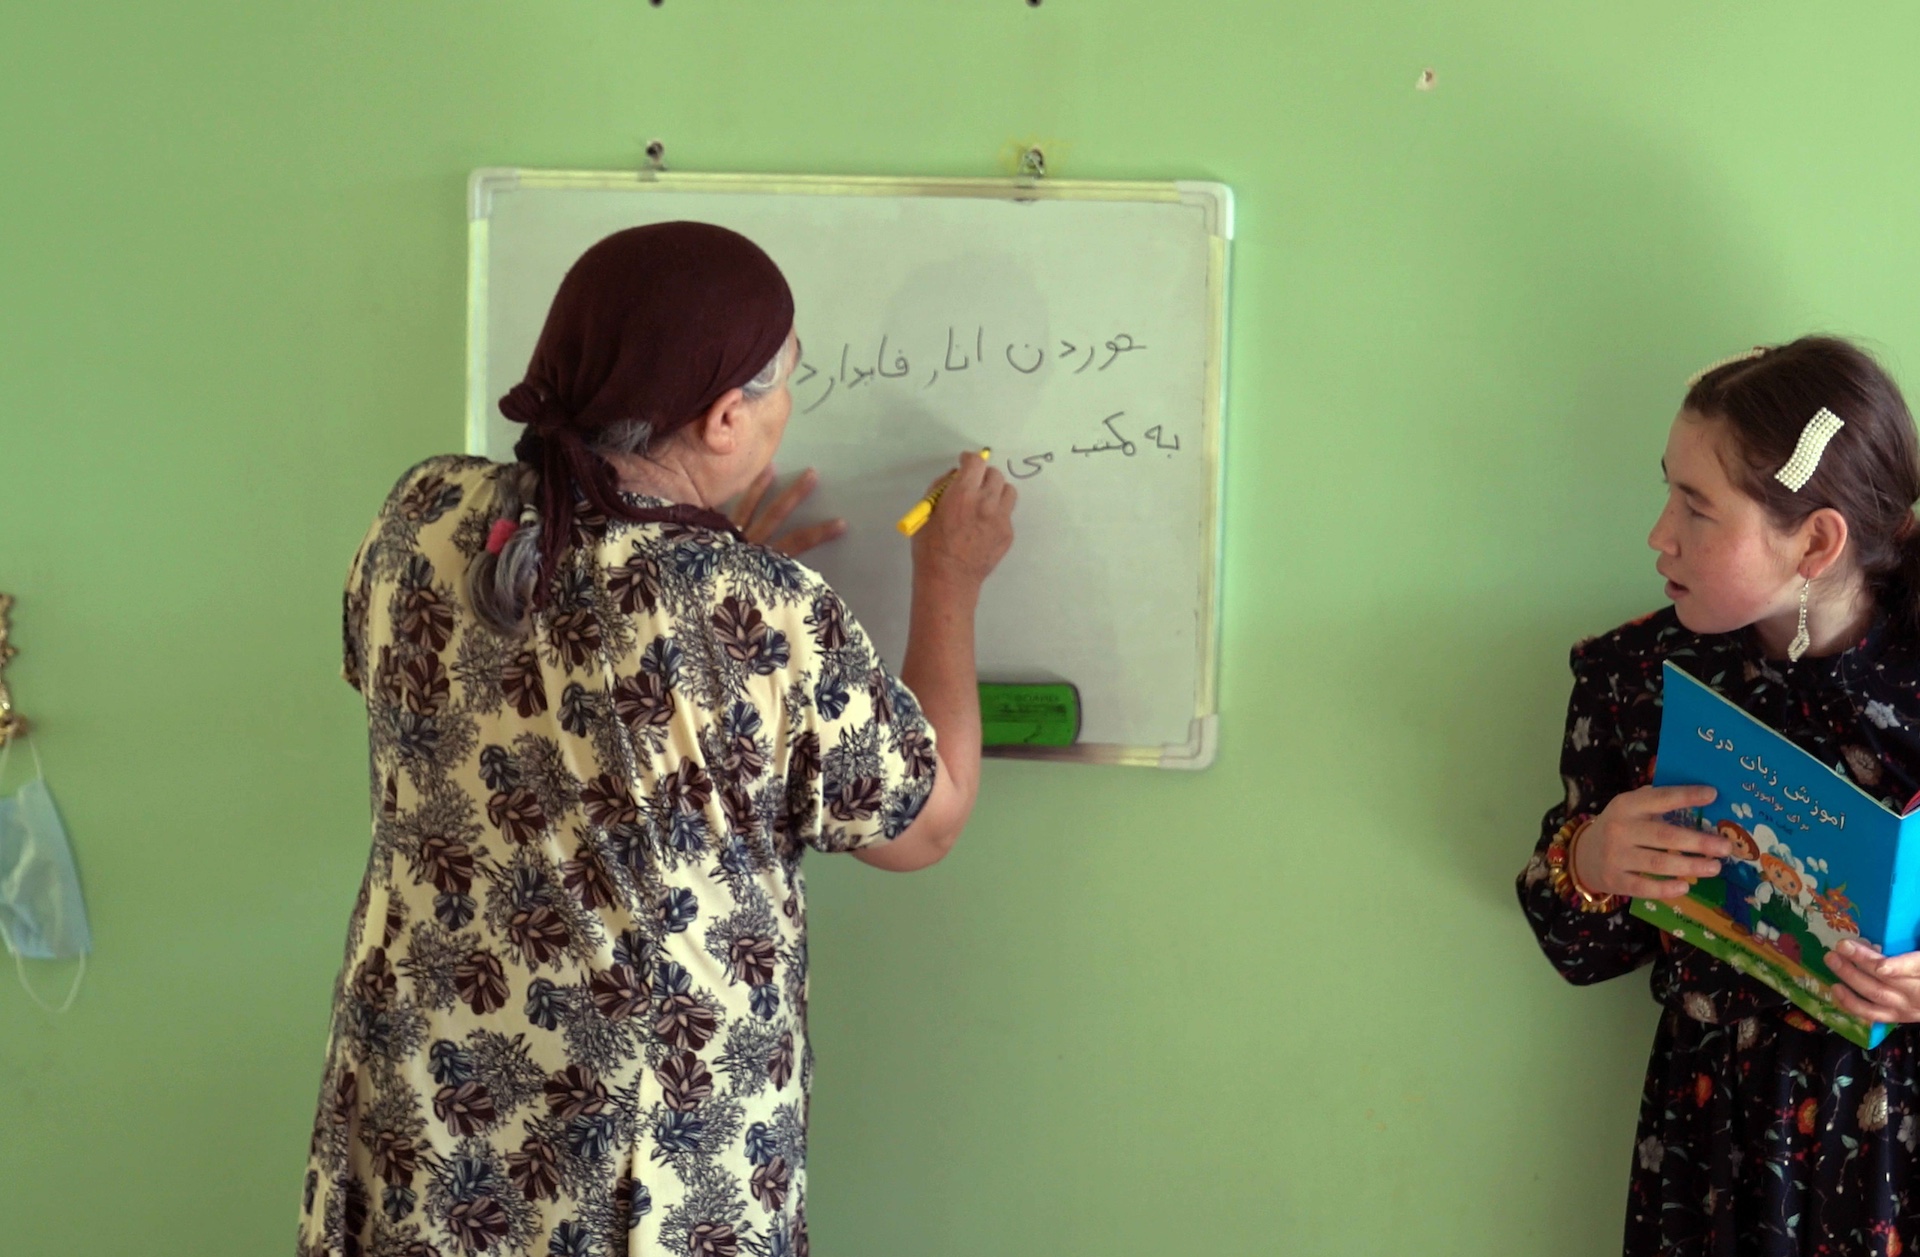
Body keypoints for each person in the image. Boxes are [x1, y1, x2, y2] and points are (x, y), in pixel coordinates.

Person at [298, 221, 1016, 1257]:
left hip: (422, 1120)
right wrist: (950, 579)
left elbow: (509, 661)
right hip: (640, 1159)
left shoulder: (422, 516)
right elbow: (927, 820)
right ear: (726, 417)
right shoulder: (755, 614)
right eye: (784, 386)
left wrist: (701, 583)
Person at [1518, 337, 1920, 1254]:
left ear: (1817, 541)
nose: (1658, 535)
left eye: (1697, 509)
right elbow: (1573, 946)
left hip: (1897, 1143)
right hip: (1716, 1141)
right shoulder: (1636, 679)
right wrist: (1590, 860)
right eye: (1668, 491)